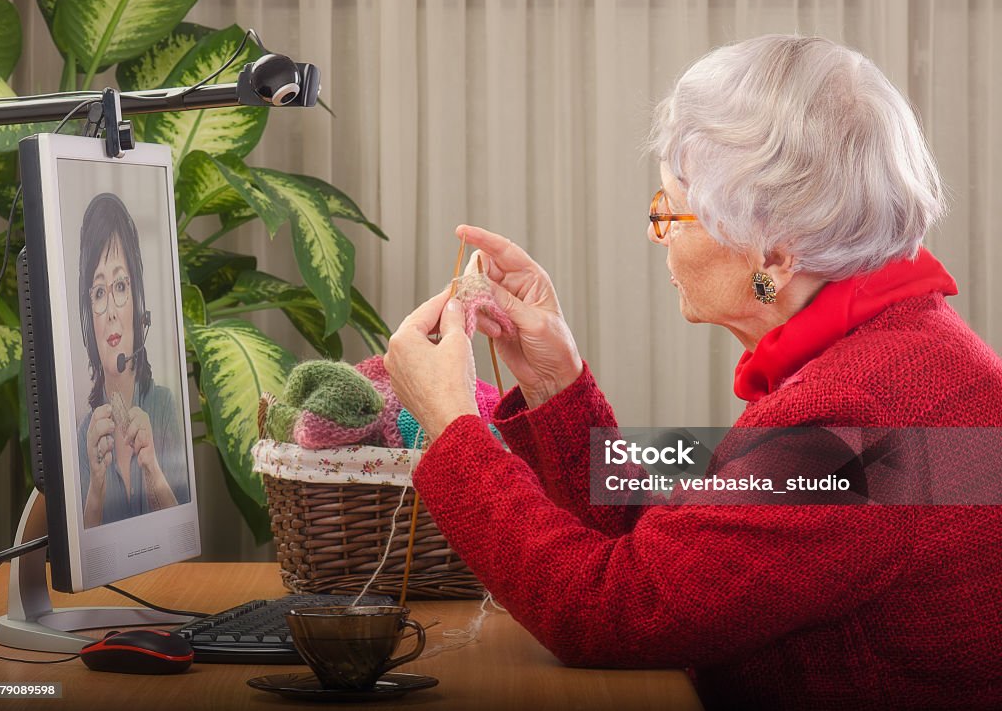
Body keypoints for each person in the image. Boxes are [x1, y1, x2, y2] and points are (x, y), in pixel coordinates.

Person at [384, 35, 1002, 710]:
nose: (659, 236)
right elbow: (690, 563)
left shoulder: (853, 418)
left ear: (776, 252)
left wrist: (452, 429)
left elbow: (616, 609)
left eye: (671, 213)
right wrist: (555, 385)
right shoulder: (910, 353)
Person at [77, 192, 188, 528]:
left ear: (137, 301)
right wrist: (96, 486)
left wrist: (151, 465)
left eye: (121, 286)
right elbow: (88, 555)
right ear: (88, 319)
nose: (110, 311)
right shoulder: (85, 434)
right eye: (98, 292)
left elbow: (179, 536)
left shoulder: (165, 407)